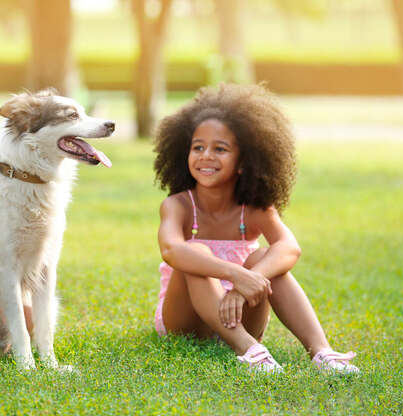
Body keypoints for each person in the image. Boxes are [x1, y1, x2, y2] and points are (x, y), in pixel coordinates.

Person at [153, 83, 358, 374]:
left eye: (220, 149)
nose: (206, 156)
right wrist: (234, 274)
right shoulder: (178, 205)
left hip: (242, 313)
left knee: (265, 257)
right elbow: (171, 250)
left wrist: (245, 283)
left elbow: (289, 247)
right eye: (197, 147)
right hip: (186, 322)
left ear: (243, 162)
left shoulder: (255, 208)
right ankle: (250, 352)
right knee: (194, 251)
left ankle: (322, 352)